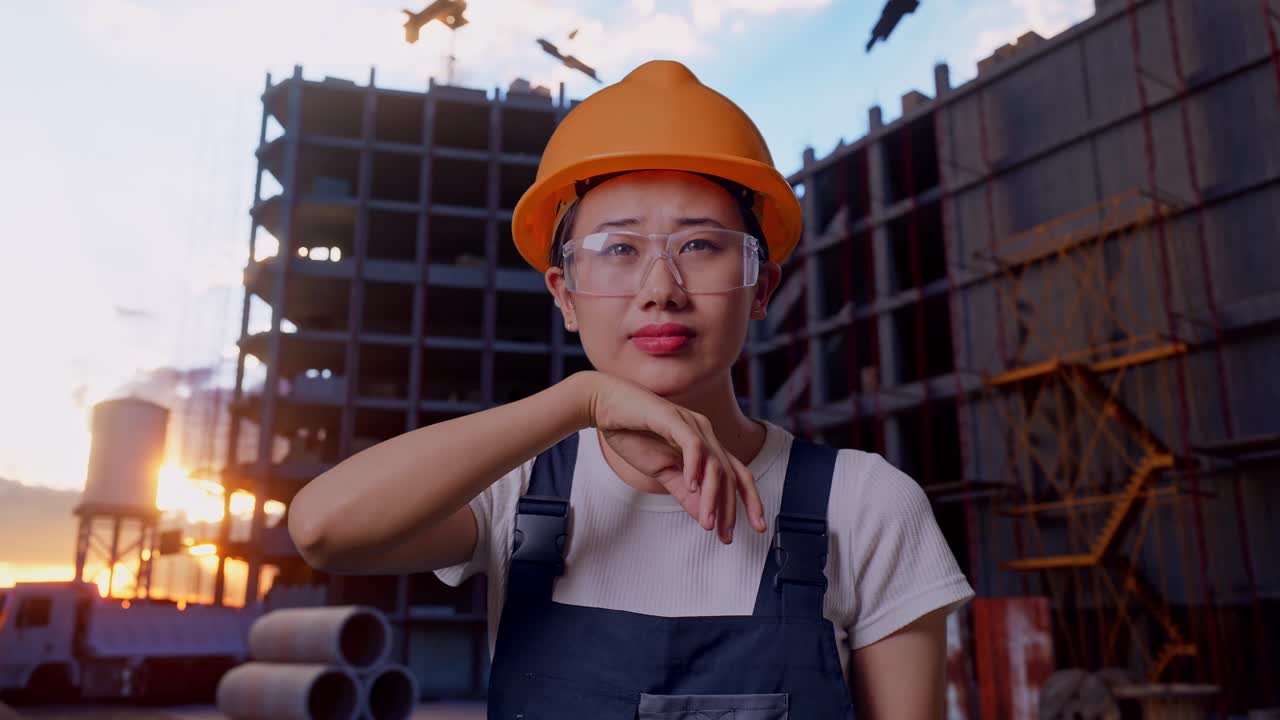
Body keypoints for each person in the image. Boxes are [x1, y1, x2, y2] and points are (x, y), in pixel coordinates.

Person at [289, 59, 974, 719]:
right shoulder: (518, 493)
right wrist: (580, 400)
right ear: (564, 294)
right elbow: (322, 529)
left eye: (701, 246)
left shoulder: (867, 507)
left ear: (760, 287)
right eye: (618, 250)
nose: (660, 291)